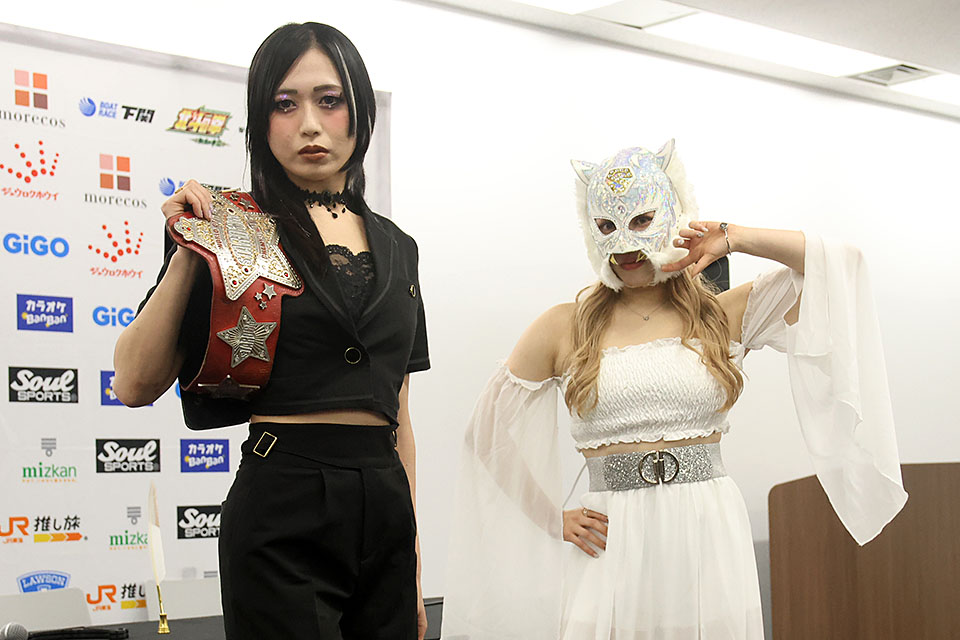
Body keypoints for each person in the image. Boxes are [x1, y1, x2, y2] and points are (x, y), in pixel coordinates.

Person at [442, 141, 907, 639]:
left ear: (673, 217)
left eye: (643, 220)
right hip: (610, 537)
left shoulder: (723, 314)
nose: (625, 245)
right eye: (607, 226)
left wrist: (732, 237)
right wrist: (551, 518)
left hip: (706, 529)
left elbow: (843, 265)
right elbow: (485, 434)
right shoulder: (564, 325)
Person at [113, 22, 430, 640]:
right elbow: (132, 383)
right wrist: (190, 249)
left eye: (329, 100)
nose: (309, 124)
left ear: (360, 112)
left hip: (384, 504)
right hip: (284, 498)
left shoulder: (400, 247)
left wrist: (413, 564)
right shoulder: (231, 224)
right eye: (285, 104)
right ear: (261, 122)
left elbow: (400, 415)